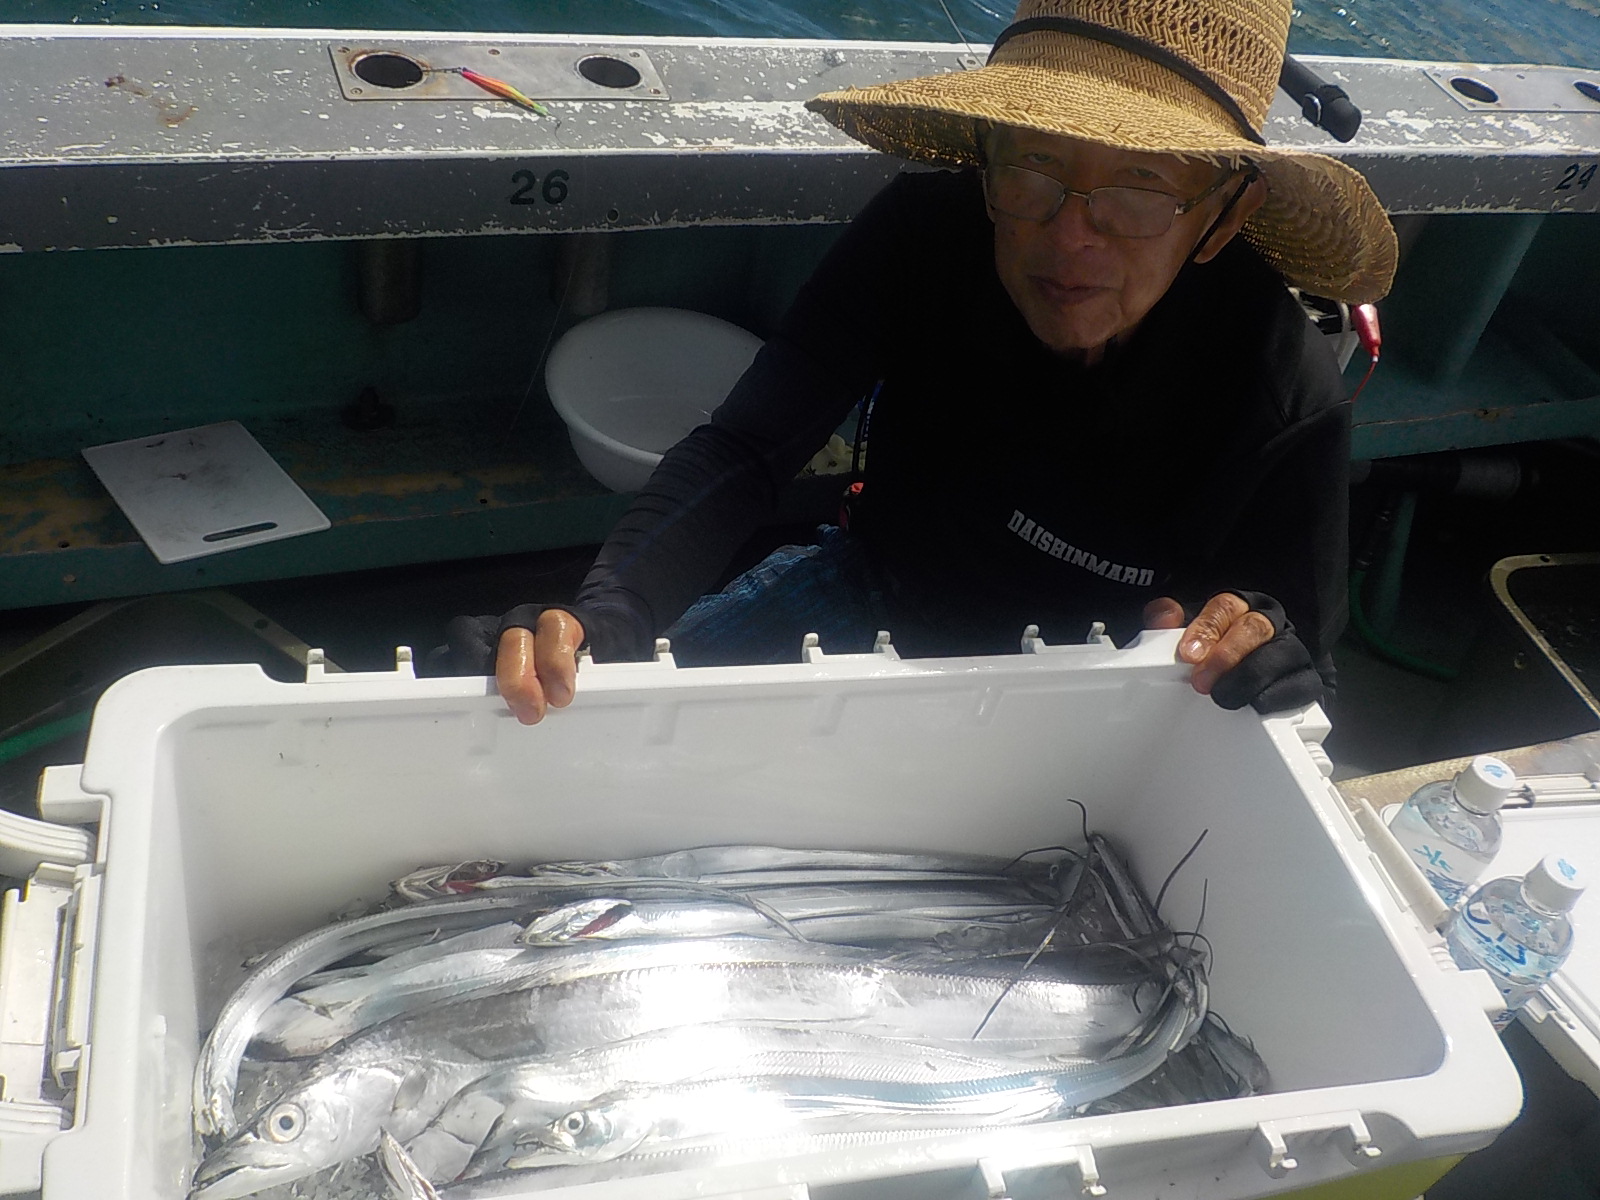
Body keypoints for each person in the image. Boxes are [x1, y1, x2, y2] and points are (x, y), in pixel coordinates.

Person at [442, 0, 1398, 726]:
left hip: (1090, 686)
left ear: (1226, 214)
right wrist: (608, 616)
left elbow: (1300, 661)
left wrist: (1254, 640)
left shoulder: (1282, 392)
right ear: (984, 157)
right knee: (588, 728)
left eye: (1141, 188)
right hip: (867, 586)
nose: (1071, 237)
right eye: (1033, 165)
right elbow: (745, 448)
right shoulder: (922, 234)